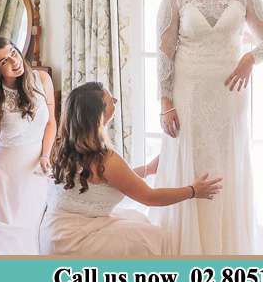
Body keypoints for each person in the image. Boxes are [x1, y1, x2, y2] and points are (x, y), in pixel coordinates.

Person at [151, 0, 263, 254]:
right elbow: (164, 54)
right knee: (191, 164)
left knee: (225, 165)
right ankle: (188, 252)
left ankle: (225, 252)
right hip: (188, 97)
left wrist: (251, 57)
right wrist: (166, 104)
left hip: (230, 98)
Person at [39, 82, 222, 256]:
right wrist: (193, 191)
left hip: (53, 234)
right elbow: (150, 197)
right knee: (158, 240)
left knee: (138, 220)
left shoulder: (68, 147)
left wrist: (148, 169)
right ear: (98, 116)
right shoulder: (105, 159)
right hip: (73, 241)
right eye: (112, 101)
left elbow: (103, 182)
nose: (115, 103)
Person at [0, 36, 56, 255]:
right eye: (4, 62)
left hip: (35, 178)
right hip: (1, 183)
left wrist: (45, 155)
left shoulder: (42, 79)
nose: (14, 61)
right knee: (4, 248)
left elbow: (51, 123)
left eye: (13, 52)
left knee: (34, 242)